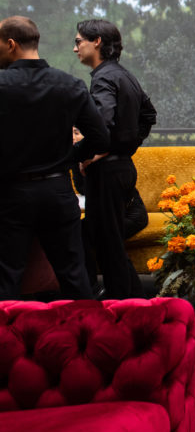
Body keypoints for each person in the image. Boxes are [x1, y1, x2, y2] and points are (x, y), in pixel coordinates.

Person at [0, 16, 109, 299]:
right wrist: (69, 157)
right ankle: (86, 338)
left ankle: (8, 342)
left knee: (7, 277)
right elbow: (100, 138)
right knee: (74, 275)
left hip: (11, 194)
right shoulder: (69, 84)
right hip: (58, 192)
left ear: (11, 44)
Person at [74, 19, 157, 298]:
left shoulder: (104, 77)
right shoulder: (123, 75)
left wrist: (85, 156)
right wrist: (123, 147)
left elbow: (102, 127)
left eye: (78, 42)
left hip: (108, 174)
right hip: (120, 168)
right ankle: (134, 304)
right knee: (108, 243)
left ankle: (125, 309)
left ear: (96, 41)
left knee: (109, 248)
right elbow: (149, 115)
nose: (75, 48)